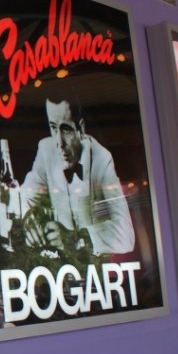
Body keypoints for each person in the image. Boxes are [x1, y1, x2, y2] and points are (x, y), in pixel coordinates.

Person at [20, 98, 134, 257]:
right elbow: (25, 194)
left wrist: (79, 238)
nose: (59, 143)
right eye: (53, 128)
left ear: (81, 129)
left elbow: (126, 236)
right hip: (59, 263)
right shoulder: (46, 149)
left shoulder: (102, 159)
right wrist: (29, 218)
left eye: (66, 129)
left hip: (94, 263)